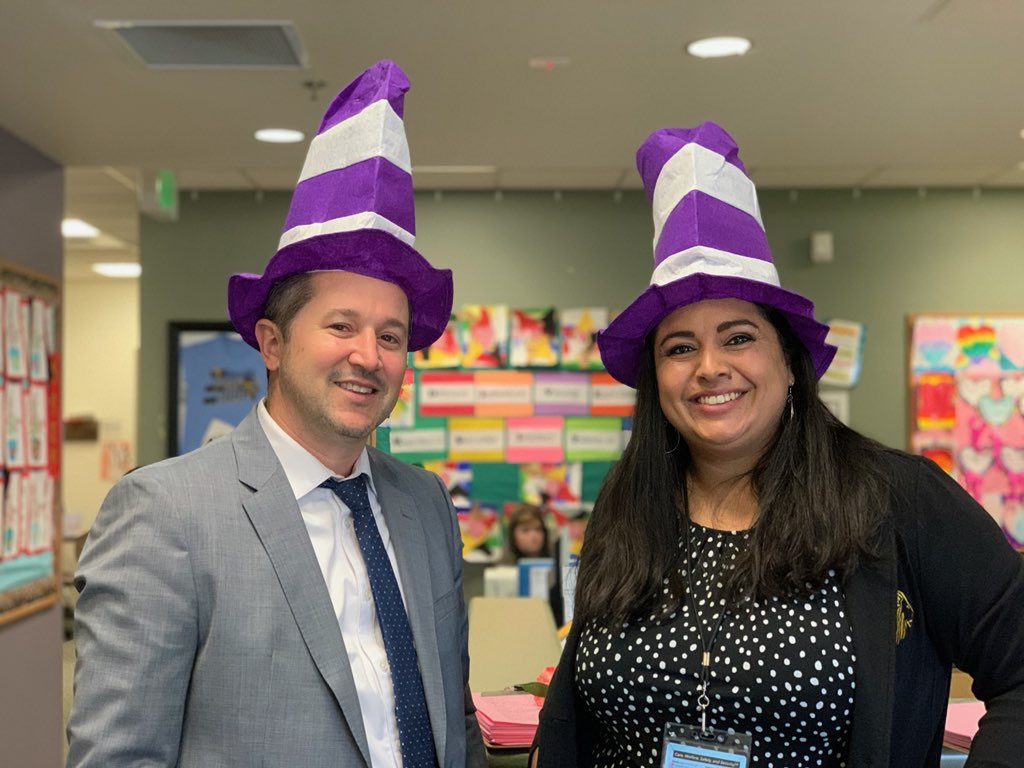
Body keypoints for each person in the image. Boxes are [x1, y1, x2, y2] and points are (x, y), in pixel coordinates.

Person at [533, 122, 1024, 767]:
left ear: (790, 362)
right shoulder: (630, 501)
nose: (710, 367)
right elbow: (574, 707)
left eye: (738, 337)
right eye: (679, 348)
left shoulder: (896, 497)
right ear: (656, 381)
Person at [67, 60, 486, 768]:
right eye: (341, 326)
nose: (370, 355)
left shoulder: (424, 505)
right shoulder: (165, 513)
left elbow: (456, 724)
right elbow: (118, 756)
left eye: (391, 336)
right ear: (271, 341)